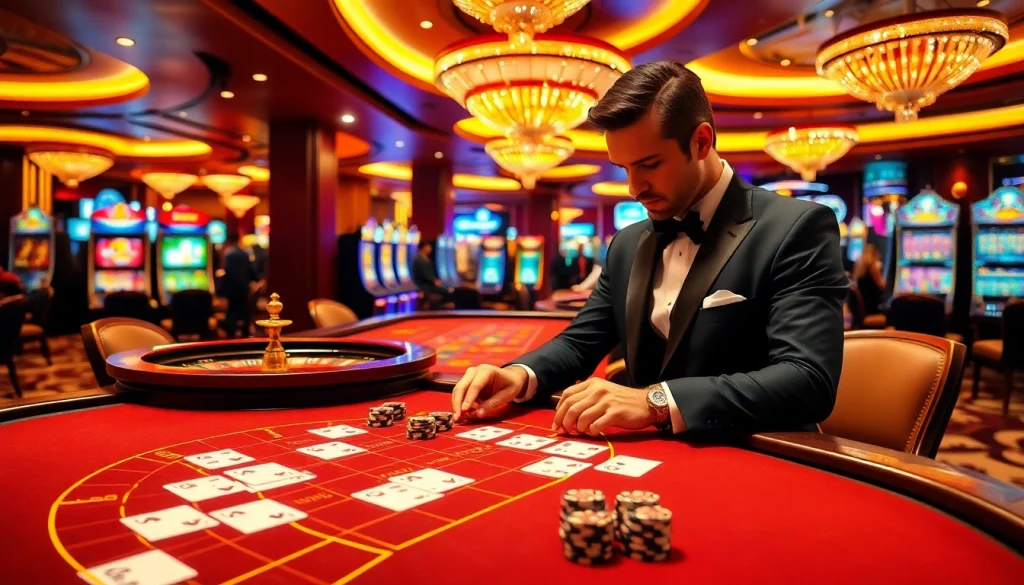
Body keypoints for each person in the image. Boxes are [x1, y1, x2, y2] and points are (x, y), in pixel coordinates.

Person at [451, 60, 848, 436]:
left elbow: (808, 380)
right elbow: (580, 341)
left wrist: (655, 401)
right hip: (646, 463)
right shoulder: (628, 242)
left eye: (650, 164)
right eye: (624, 168)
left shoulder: (796, 227)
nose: (633, 188)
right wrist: (519, 374)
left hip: (759, 455)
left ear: (701, 141)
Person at [220, 233, 257, 338]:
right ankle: (243, 332)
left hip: (231, 288)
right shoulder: (244, 254)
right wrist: (256, 280)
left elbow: (226, 273)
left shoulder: (228, 254)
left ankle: (231, 332)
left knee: (232, 309)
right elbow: (251, 272)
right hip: (243, 288)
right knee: (242, 309)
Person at [852, 242, 886, 314]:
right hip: (872, 307)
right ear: (875, 254)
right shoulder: (872, 267)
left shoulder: (859, 266)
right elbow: (882, 286)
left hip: (862, 307)